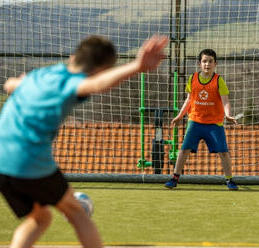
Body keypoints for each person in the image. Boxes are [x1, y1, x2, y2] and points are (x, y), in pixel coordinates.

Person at [0, 34, 168, 248]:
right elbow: (97, 84)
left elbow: (9, 84)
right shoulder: (71, 83)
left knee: (40, 217)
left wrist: (20, 84)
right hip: (27, 160)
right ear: (102, 69)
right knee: (76, 212)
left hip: (1, 160)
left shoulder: (42, 75)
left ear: (73, 57)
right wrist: (137, 66)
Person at [164, 48, 238, 190]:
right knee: (184, 150)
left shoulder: (218, 81)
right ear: (199, 63)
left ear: (215, 64)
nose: (207, 64)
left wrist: (228, 114)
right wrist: (180, 116)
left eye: (210, 61)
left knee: (223, 152)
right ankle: (174, 178)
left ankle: (229, 180)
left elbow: (225, 101)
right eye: (204, 61)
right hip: (195, 122)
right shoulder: (192, 79)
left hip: (214, 124)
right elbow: (189, 100)